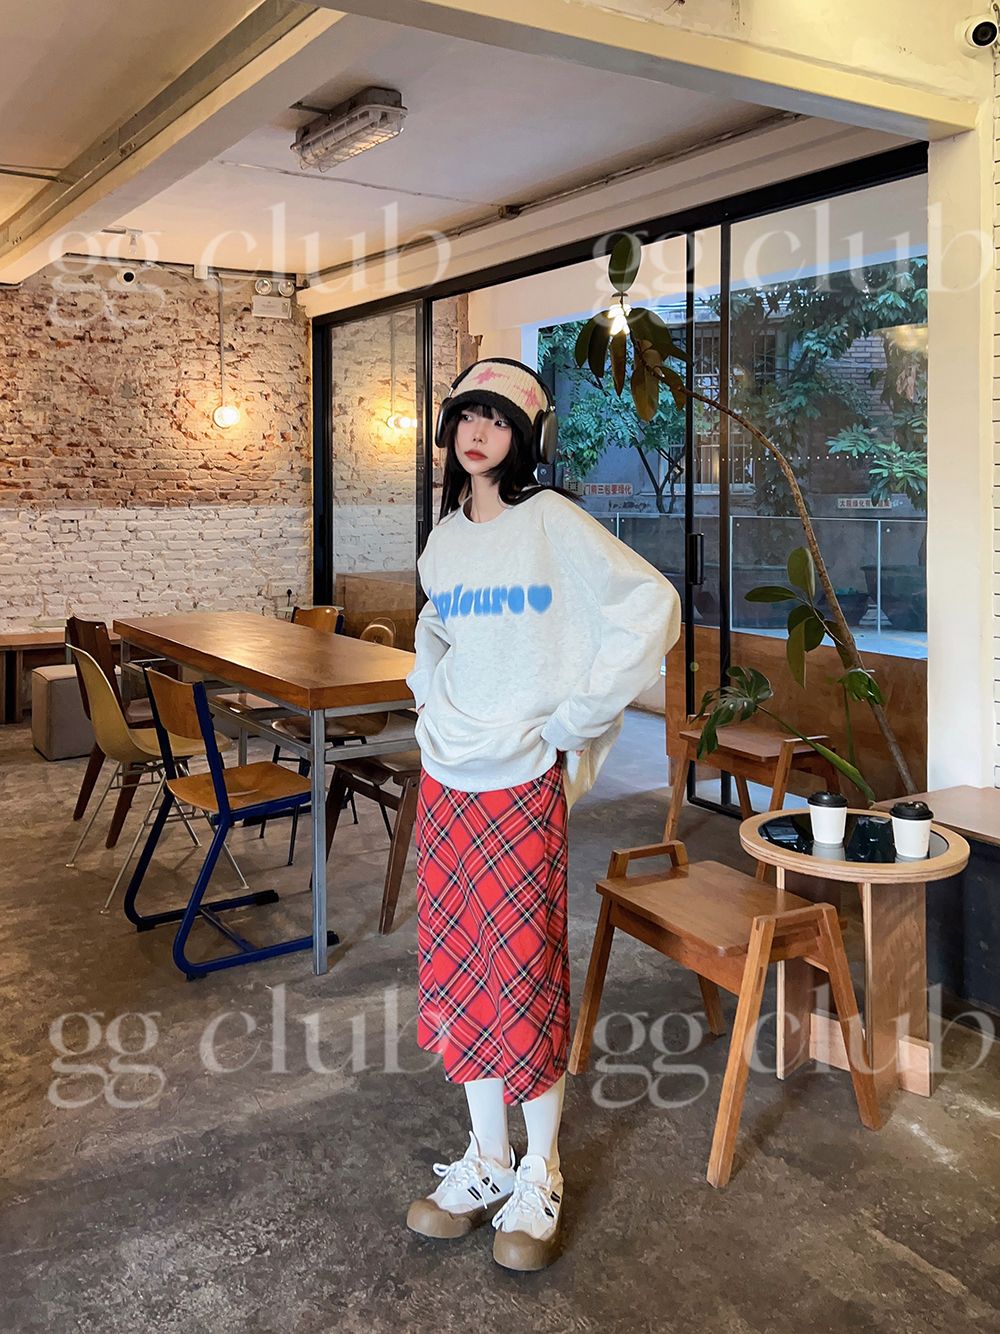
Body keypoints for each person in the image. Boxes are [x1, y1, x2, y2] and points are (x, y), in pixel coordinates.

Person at [404, 357, 681, 1271]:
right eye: (466, 416)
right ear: (450, 431)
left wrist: (576, 719)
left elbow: (650, 603)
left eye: (496, 419)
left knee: (521, 967)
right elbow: (435, 625)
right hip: (446, 776)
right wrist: (427, 692)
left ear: (522, 437)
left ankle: (540, 1171)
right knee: (459, 965)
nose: (477, 432)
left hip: (521, 779)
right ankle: (487, 1160)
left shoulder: (551, 521)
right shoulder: (445, 540)